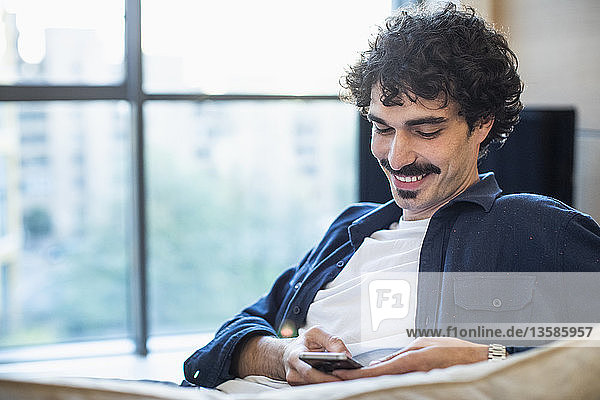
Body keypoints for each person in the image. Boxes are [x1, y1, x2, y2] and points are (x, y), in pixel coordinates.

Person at [183, 3, 600, 389]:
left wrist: (488, 356)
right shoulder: (349, 229)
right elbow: (212, 352)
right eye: (383, 129)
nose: (397, 157)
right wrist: (284, 354)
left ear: (482, 125)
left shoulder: (531, 227)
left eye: (426, 131)